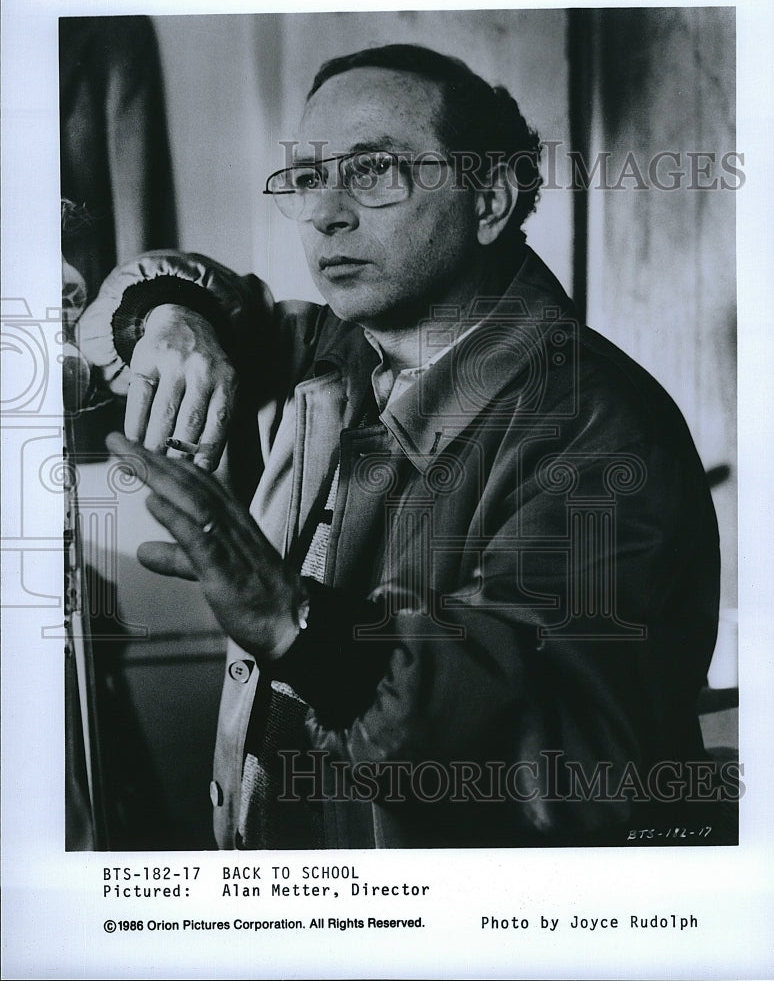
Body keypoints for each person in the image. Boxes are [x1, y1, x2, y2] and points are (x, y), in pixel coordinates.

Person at [76, 44, 722, 849]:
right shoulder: (335, 350)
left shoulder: (596, 426)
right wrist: (171, 316)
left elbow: (572, 768)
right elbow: (156, 294)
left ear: (488, 199)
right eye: (309, 178)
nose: (325, 213)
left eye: (373, 170)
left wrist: (296, 625)